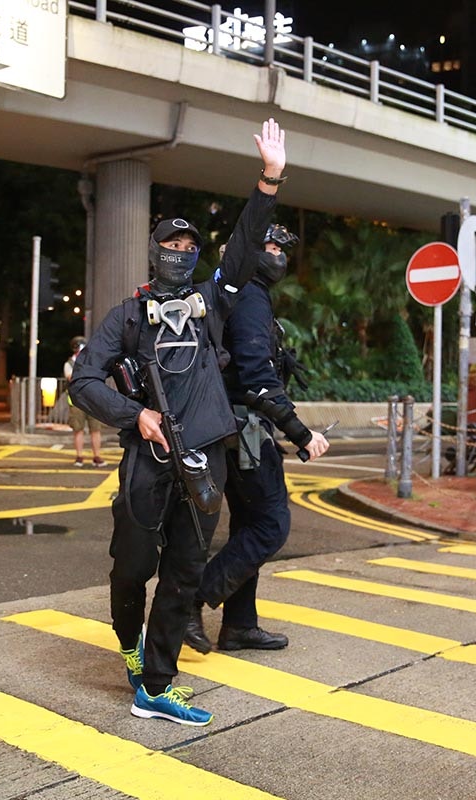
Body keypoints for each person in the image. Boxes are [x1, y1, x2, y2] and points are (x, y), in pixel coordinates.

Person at [69, 117, 286, 727]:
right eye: (173, 247)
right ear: (154, 251)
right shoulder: (128, 317)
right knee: (132, 568)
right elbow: (83, 380)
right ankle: (130, 647)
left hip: (204, 459)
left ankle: (157, 684)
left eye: (192, 250)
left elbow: (243, 248)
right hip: (147, 462)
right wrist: (134, 414)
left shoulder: (210, 306)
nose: (182, 256)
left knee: (186, 571)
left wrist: (269, 178)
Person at [182, 223, 329, 656]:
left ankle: (240, 626)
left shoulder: (234, 290)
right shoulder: (247, 295)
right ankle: (193, 598)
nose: (277, 255)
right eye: (268, 246)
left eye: (282, 249)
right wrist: (301, 433)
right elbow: (256, 376)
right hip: (243, 428)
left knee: (248, 524)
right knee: (270, 524)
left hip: (226, 426)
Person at [64, 336, 105, 468]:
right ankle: (79, 456)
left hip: (92, 400)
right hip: (76, 401)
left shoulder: (92, 361)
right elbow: (71, 377)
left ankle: (97, 456)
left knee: (96, 429)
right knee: (78, 430)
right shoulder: (69, 364)